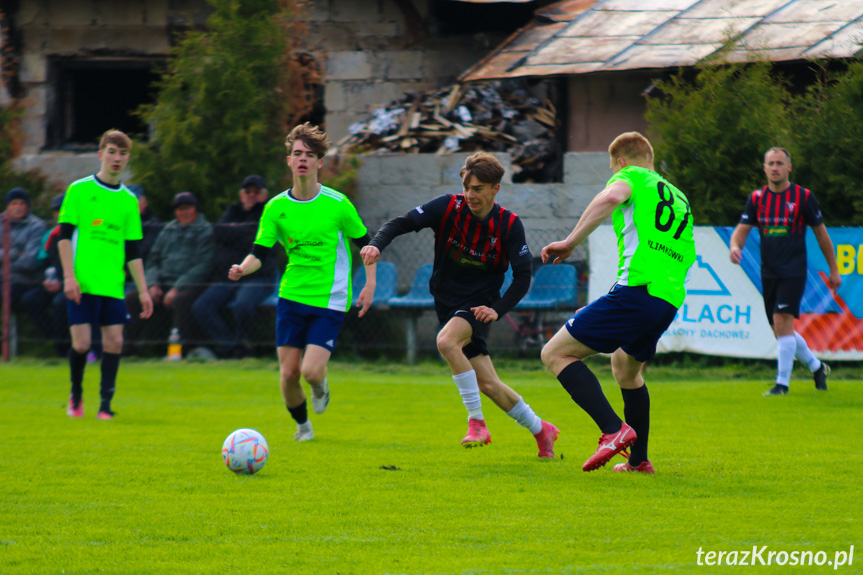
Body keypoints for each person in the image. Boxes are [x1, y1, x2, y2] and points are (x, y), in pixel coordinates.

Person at [360, 151, 560, 459]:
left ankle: (476, 422)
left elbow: (522, 277)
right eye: (467, 187)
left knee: (446, 341)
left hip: (479, 306)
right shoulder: (447, 207)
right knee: (490, 385)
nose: (470, 195)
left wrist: (497, 310)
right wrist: (376, 243)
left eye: (478, 188)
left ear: (496, 188)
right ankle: (541, 430)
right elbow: (402, 222)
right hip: (447, 302)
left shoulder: (509, 225)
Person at [539, 132, 696, 474]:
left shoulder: (630, 177)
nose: (613, 177)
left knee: (554, 353)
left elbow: (611, 197)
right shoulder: (678, 196)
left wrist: (569, 241)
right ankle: (639, 461)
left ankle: (613, 430)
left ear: (621, 163)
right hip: (666, 299)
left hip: (637, 291)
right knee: (626, 370)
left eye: (613, 170)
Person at [228, 123, 377, 441]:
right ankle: (303, 427)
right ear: (289, 160)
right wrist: (243, 268)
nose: (303, 160)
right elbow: (259, 253)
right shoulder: (276, 208)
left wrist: (370, 284)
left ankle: (321, 385)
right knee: (288, 374)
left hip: (329, 297)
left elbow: (368, 246)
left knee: (310, 371)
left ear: (319, 163)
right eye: (297, 154)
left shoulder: (337, 204)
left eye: (309, 155)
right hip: (292, 295)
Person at [729, 147, 841, 396]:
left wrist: (834, 270)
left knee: (782, 322)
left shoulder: (803, 197)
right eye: (771, 163)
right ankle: (817, 367)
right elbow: (741, 229)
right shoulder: (757, 198)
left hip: (794, 270)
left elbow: (821, 234)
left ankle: (782, 385)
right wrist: (735, 246)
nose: (775, 167)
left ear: (789, 167)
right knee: (780, 330)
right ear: (764, 168)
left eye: (780, 163)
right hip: (769, 272)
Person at [57, 129, 153, 419]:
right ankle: (76, 395)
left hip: (112, 286)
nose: (117, 158)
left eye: (123, 153)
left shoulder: (128, 201)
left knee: (114, 343)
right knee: (82, 344)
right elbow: (63, 237)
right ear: (101, 154)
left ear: (128, 160)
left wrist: (144, 290)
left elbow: (133, 252)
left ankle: (105, 405)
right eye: (112, 152)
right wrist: (68, 277)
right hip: (82, 283)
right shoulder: (79, 190)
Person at [192, 175, 274, 358]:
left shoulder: (269, 212)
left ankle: (242, 344)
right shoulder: (233, 210)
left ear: (264, 195)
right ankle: (231, 347)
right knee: (201, 306)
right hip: (229, 276)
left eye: (256, 191)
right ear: (241, 194)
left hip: (258, 277)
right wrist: (243, 233)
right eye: (247, 191)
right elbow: (218, 232)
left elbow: (254, 240)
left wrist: (234, 231)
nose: (251, 195)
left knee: (242, 305)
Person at [125, 191, 213, 353]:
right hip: (162, 282)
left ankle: (181, 351)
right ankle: (128, 349)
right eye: (179, 209)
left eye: (187, 208)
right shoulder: (168, 229)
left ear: (196, 210)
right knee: (132, 298)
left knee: (180, 301)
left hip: (191, 285)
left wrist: (176, 288)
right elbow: (152, 260)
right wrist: (152, 285)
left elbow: (202, 266)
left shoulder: (205, 230)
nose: (183, 212)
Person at [21, 193, 70, 356]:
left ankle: (63, 349)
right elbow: (42, 263)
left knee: (59, 303)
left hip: (76, 284)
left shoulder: (82, 234)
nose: (60, 214)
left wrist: (65, 283)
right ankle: (57, 338)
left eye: (63, 210)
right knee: (30, 300)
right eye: (57, 211)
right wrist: (46, 280)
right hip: (53, 283)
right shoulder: (51, 235)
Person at [1, 187, 46, 310]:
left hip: (25, 281)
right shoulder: (1, 223)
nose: (18, 207)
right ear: (7, 207)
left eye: (22, 203)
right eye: (14, 203)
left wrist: (4, 262)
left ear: (27, 206)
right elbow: (19, 256)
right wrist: (15, 253)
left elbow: (30, 262)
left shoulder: (36, 226)